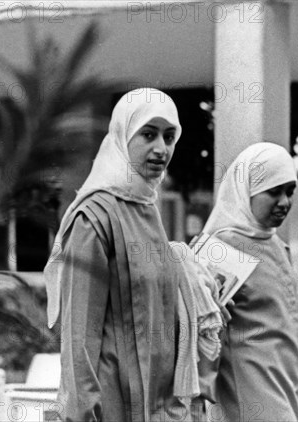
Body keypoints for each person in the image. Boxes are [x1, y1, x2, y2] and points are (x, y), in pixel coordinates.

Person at [44, 88, 203, 422]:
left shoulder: (148, 209)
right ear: (122, 135)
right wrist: (82, 414)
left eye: (169, 136)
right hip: (111, 407)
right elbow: (79, 337)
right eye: (148, 134)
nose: (161, 148)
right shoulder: (94, 218)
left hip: (160, 409)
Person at [202, 142, 298, 422]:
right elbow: (199, 330)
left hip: (288, 383)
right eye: (274, 192)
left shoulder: (275, 243)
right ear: (247, 190)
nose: (285, 202)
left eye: (290, 192)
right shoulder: (223, 249)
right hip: (252, 392)